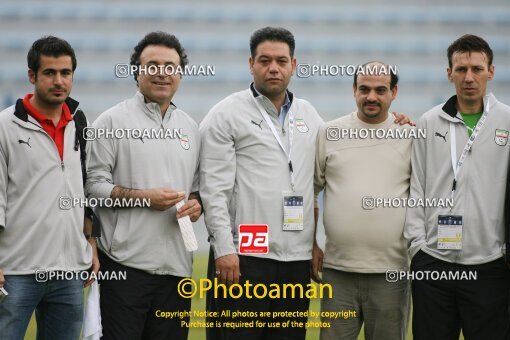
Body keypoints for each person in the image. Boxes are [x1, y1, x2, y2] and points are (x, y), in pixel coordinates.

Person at [200, 28, 411, 340]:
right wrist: (223, 249)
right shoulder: (226, 113)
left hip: (295, 263)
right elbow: (212, 190)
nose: (274, 68)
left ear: (293, 64)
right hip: (244, 258)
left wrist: (314, 244)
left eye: (281, 60)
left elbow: (311, 186)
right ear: (251, 64)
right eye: (265, 60)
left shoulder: (309, 115)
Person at [85, 31, 202, 340]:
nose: (162, 73)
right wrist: (143, 198)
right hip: (124, 267)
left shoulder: (191, 128)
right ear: (136, 71)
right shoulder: (110, 122)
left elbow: (196, 190)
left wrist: (196, 204)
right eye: (152, 65)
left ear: (180, 73)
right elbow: (92, 188)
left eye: (170, 66)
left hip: (178, 271)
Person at [405, 34, 510, 340]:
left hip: (489, 265)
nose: (469, 78)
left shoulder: (507, 121)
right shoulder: (429, 121)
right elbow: (417, 187)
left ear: (491, 71)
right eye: (461, 69)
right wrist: (417, 248)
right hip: (433, 264)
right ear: (448, 73)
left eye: (477, 69)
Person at [0, 36, 98, 340]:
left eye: (65, 73)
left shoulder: (79, 123)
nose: (59, 81)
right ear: (32, 76)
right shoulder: (5, 126)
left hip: (69, 273)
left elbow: (85, 188)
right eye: (49, 73)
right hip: (16, 271)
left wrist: (91, 242)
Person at [312, 61, 411, 340]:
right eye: (364, 89)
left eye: (381, 90)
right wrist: (312, 243)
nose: (371, 97)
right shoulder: (329, 132)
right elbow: (310, 192)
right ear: (354, 90)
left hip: (391, 275)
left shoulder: (411, 135)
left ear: (394, 92)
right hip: (337, 272)